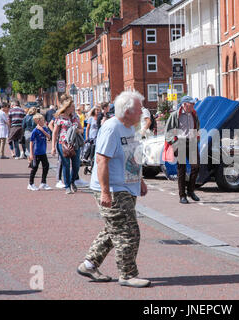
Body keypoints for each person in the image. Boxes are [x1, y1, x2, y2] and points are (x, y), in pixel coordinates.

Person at [77, 90, 150, 288]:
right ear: (127, 111)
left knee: (114, 229)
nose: (142, 112)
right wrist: (105, 191)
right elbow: (101, 160)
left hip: (128, 186)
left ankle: (89, 264)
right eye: (139, 109)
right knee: (128, 231)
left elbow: (133, 156)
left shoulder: (132, 127)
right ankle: (127, 274)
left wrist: (140, 180)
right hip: (114, 189)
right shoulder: (111, 128)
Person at [164, 95, 201, 204]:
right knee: (182, 169)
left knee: (196, 167)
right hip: (180, 142)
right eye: (191, 103)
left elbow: (197, 127)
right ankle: (182, 195)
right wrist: (174, 143)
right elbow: (168, 131)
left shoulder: (194, 114)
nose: (193, 105)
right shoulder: (175, 115)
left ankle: (190, 190)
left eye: (193, 103)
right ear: (185, 104)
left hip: (192, 142)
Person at [51, 95, 83, 194]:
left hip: (75, 144)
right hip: (63, 144)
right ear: (67, 107)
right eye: (72, 106)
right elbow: (55, 132)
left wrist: (78, 130)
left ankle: (72, 181)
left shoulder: (75, 117)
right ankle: (67, 186)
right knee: (66, 164)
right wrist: (53, 147)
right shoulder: (60, 117)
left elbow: (82, 129)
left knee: (76, 165)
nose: (74, 108)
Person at [28, 114, 52, 191]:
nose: (44, 121)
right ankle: (30, 184)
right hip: (36, 152)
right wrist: (31, 154)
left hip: (43, 152)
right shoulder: (35, 131)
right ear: (38, 121)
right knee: (35, 168)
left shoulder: (44, 129)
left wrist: (42, 130)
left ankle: (43, 183)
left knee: (46, 166)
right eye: (42, 120)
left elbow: (49, 137)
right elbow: (31, 142)